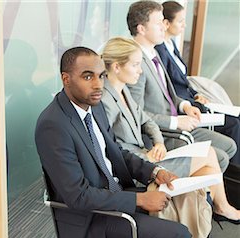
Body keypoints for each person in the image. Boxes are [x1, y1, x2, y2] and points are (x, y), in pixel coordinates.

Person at [35, 46, 225, 238]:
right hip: (94, 218)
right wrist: (140, 203)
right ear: (65, 79)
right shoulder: (53, 125)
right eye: (87, 77)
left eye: (100, 76)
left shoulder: (92, 107)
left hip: (116, 195)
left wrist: (155, 171)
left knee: (193, 195)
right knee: (176, 236)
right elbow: (77, 196)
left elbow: (117, 154)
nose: (97, 84)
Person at [101, 37, 240, 224]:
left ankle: (195, 223)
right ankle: (216, 211)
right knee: (208, 157)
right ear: (117, 67)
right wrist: (148, 158)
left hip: (148, 155)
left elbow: (147, 121)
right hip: (138, 168)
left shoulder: (123, 90)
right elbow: (115, 148)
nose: (140, 70)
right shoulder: (105, 101)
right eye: (135, 65)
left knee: (208, 169)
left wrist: (158, 142)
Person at [126, 1, 237, 174]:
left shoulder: (153, 53)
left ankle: (202, 193)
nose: (163, 27)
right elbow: (136, 114)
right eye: (158, 23)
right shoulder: (135, 62)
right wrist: (176, 121)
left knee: (229, 146)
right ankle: (200, 196)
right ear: (141, 29)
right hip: (160, 132)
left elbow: (168, 94)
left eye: (163, 21)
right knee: (220, 156)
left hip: (176, 121)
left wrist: (184, 105)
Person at [155, 1, 240, 165]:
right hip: (186, 108)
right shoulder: (159, 51)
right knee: (234, 125)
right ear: (166, 23)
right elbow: (170, 88)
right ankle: (235, 176)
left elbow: (183, 81)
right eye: (180, 21)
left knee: (237, 117)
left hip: (191, 100)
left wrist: (197, 94)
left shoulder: (171, 44)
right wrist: (190, 102)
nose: (184, 25)